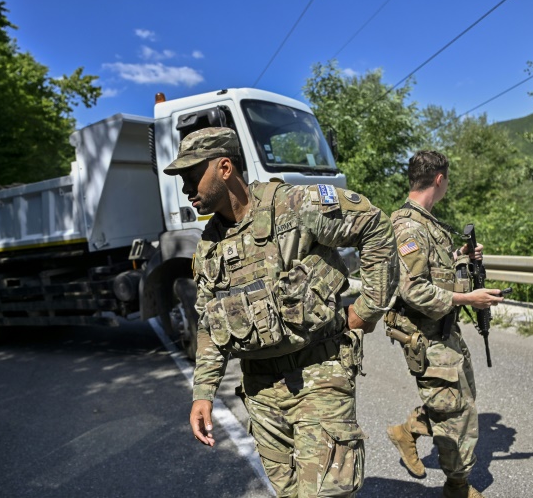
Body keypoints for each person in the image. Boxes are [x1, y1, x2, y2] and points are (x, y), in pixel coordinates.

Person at [163, 126, 399, 497]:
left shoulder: (294, 205)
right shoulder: (209, 247)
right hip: (260, 388)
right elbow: (210, 320)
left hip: (318, 371)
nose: (186, 190)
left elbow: (375, 226)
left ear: (225, 167)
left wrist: (368, 310)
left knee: (325, 494)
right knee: (288, 492)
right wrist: (203, 392)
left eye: (193, 176)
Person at [384, 150, 503, 498]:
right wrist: (468, 299)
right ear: (439, 179)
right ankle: (457, 487)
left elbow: (431, 270)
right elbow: (413, 289)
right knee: (454, 412)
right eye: (447, 179)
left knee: (460, 401)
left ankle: (407, 431)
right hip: (426, 336)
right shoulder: (408, 226)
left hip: (445, 331)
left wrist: (461, 258)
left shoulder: (426, 222)